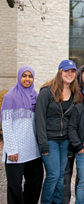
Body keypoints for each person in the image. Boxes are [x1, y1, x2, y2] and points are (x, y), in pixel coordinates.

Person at [35, 60, 80, 204]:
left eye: (72, 71)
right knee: (53, 175)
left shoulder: (74, 93)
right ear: (60, 71)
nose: (70, 74)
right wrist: (43, 143)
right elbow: (39, 119)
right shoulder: (47, 91)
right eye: (66, 71)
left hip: (64, 141)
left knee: (61, 175)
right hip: (49, 139)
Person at [1, 66, 44, 204]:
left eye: (30, 76)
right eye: (24, 76)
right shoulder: (10, 96)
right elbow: (6, 125)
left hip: (33, 150)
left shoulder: (35, 96)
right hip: (16, 151)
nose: (27, 79)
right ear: (19, 77)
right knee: (15, 187)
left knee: (35, 183)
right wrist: (12, 149)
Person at [63, 64, 84, 204]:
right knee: (66, 174)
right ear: (80, 75)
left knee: (82, 177)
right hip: (69, 138)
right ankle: (64, 201)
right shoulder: (74, 92)